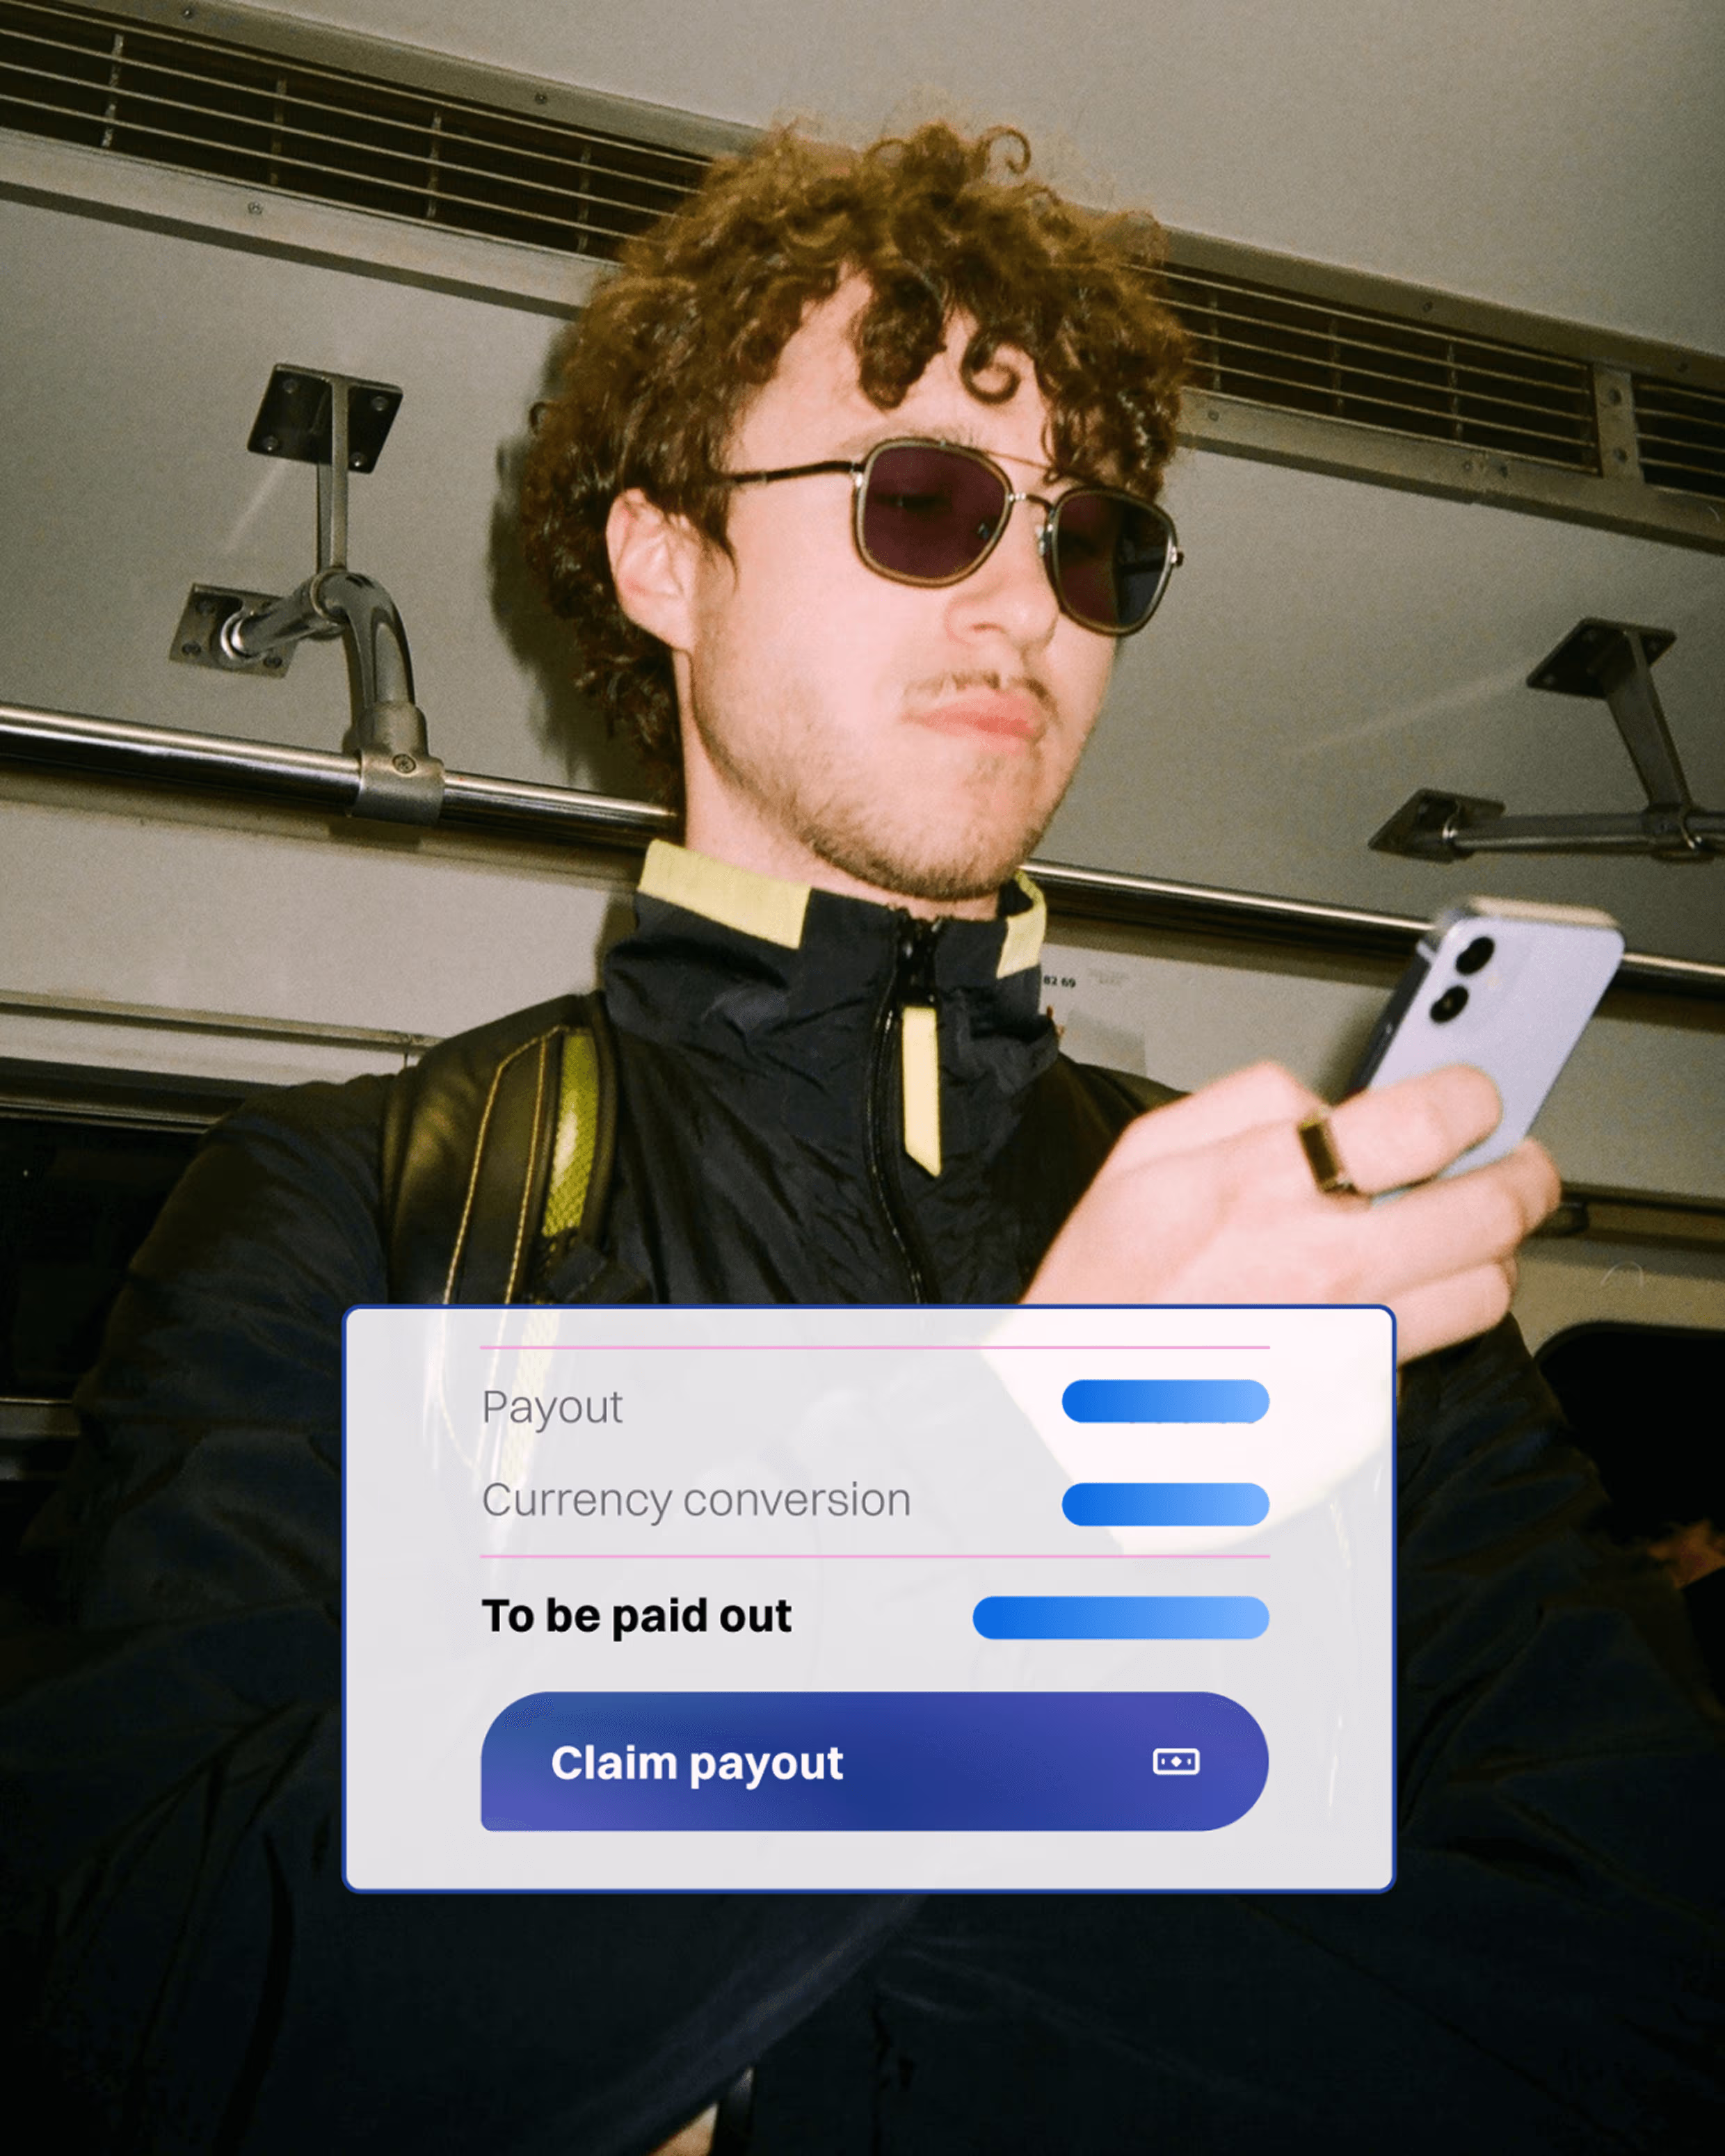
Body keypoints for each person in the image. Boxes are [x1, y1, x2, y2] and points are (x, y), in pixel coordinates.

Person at [1, 124, 1719, 2155]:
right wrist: (1021, 1484)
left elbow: (1653, 1982)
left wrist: (737, 2057)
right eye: (924, 499)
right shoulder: (366, 1207)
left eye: (1090, 542)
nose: (1026, 605)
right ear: (666, 558)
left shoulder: (1307, 1255)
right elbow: (147, 1982)